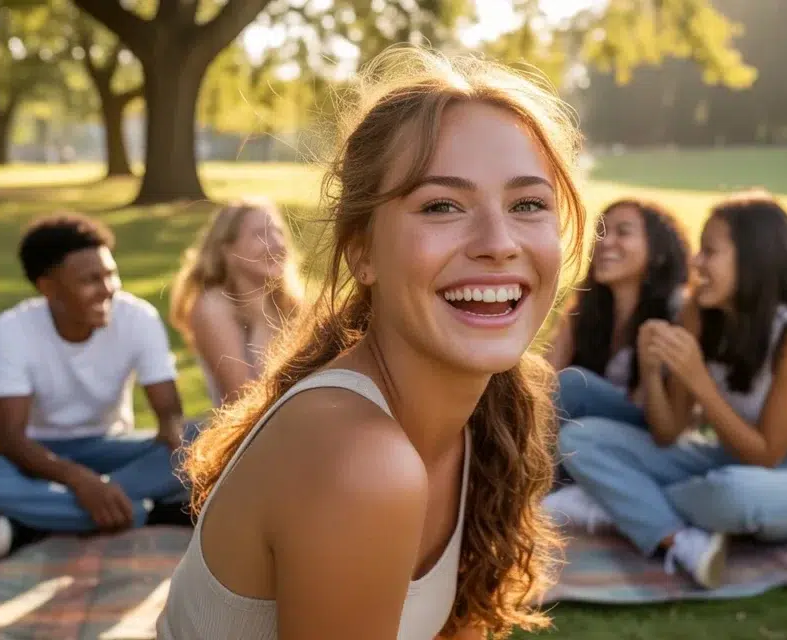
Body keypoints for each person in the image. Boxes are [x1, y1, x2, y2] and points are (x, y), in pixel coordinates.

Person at [157, 46, 587, 640]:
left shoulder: (487, 418)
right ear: (362, 251)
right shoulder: (358, 457)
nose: (498, 242)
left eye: (528, 205)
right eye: (442, 205)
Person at [559, 190, 787, 589]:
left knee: (734, 494)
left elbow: (766, 455)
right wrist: (651, 365)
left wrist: (699, 380)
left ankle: (620, 502)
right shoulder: (700, 312)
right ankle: (653, 517)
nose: (696, 263)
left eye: (709, 252)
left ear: (753, 260)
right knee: (581, 439)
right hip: (719, 458)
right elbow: (667, 431)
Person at [0, 213, 194, 559]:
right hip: (38, 456)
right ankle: (148, 511)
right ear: (48, 287)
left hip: (115, 449)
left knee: (202, 437)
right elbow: (11, 441)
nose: (108, 289)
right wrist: (80, 481)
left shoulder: (138, 318)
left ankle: (31, 522)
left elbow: (169, 412)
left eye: (110, 274)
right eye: (90, 280)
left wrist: (172, 433)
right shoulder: (13, 329)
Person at [546, 198, 691, 428]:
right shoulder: (585, 308)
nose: (605, 242)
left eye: (623, 232)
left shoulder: (678, 310)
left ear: (658, 251)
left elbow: (657, 411)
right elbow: (547, 378)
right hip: (585, 428)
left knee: (573, 384)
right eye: (601, 233)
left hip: (646, 430)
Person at [169, 197, 304, 407]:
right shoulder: (212, 307)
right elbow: (241, 399)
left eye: (278, 232)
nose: (277, 244)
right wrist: (260, 318)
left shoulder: (291, 304)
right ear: (227, 251)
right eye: (260, 234)